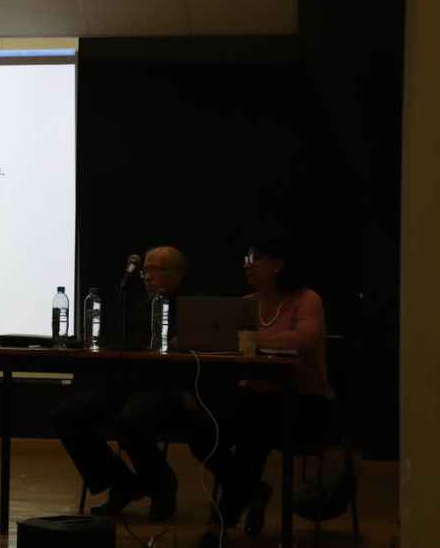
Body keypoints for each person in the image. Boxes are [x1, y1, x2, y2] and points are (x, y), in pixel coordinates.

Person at [189, 233, 334, 547]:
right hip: (254, 397)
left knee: (254, 431)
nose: (247, 265)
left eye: (254, 259)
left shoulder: (307, 299)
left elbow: (303, 340)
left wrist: (249, 341)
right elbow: (226, 344)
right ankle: (253, 490)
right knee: (202, 430)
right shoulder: (247, 304)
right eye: (246, 259)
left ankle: (218, 525)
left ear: (278, 264)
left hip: (305, 402)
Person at [53, 245, 190, 519]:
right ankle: (123, 483)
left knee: (130, 419)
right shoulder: (139, 307)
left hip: (171, 388)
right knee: (67, 415)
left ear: (177, 275)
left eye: (156, 270)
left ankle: (162, 485)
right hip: (132, 385)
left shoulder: (193, 310)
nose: (148, 277)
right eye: (145, 270)